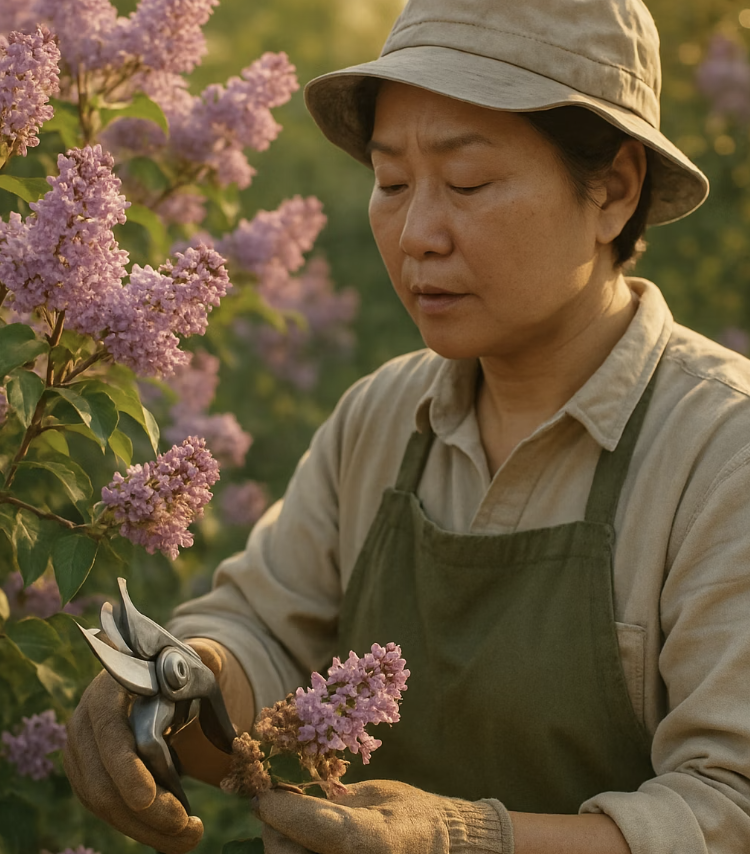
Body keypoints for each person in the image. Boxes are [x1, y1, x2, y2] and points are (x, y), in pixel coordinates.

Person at [63, 0, 750, 852]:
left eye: (467, 184)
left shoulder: (723, 454)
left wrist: (464, 839)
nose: (417, 233)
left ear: (612, 190)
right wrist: (171, 687)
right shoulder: (383, 418)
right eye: (391, 184)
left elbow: (731, 811)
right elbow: (267, 629)